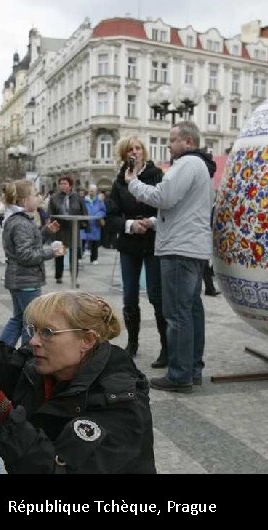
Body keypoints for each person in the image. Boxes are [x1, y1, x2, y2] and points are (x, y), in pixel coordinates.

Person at [0, 291, 156, 474]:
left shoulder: (119, 400)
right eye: (34, 330)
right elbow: (5, 367)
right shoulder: (46, 366)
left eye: (47, 332)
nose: (34, 341)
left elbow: (59, 468)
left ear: (87, 340)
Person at [125, 121, 215, 393]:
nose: (168, 144)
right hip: (191, 246)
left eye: (173, 139)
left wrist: (133, 183)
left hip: (179, 249)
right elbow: (182, 208)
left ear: (188, 142)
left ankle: (179, 374)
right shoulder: (200, 166)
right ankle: (193, 368)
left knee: (177, 314)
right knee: (191, 311)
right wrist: (155, 222)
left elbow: (163, 196)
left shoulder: (187, 164)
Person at [106, 136, 168, 368]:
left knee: (156, 295)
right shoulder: (120, 182)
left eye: (138, 148)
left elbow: (165, 205)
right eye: (130, 149)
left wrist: (150, 222)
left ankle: (166, 346)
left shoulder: (157, 176)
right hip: (129, 245)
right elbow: (111, 216)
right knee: (129, 296)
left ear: (144, 152)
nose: (135, 152)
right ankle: (132, 343)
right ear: (124, 155)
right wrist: (130, 224)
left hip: (153, 242)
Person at [0, 180, 63, 348]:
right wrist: (52, 252)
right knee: (31, 322)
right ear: (24, 201)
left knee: (19, 318)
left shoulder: (20, 220)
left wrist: (47, 232)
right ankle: (27, 358)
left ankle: (1, 354)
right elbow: (25, 255)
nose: (39, 197)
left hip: (20, 278)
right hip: (26, 280)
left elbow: (29, 244)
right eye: (35, 194)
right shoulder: (20, 223)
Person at [48, 176, 87, 284]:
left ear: (70, 185)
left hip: (73, 230)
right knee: (59, 254)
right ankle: (58, 276)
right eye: (61, 184)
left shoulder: (78, 198)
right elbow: (50, 214)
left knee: (74, 255)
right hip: (60, 230)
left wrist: (84, 224)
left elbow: (84, 212)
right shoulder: (54, 198)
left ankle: (74, 277)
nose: (62, 186)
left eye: (65, 184)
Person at [80, 184, 106, 265]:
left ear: (96, 191)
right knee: (82, 240)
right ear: (88, 190)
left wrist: (98, 215)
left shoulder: (99, 201)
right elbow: (80, 209)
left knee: (94, 242)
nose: (92, 192)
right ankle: (79, 256)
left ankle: (94, 258)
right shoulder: (83, 200)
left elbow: (103, 211)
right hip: (85, 222)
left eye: (94, 191)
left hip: (95, 223)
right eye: (91, 190)